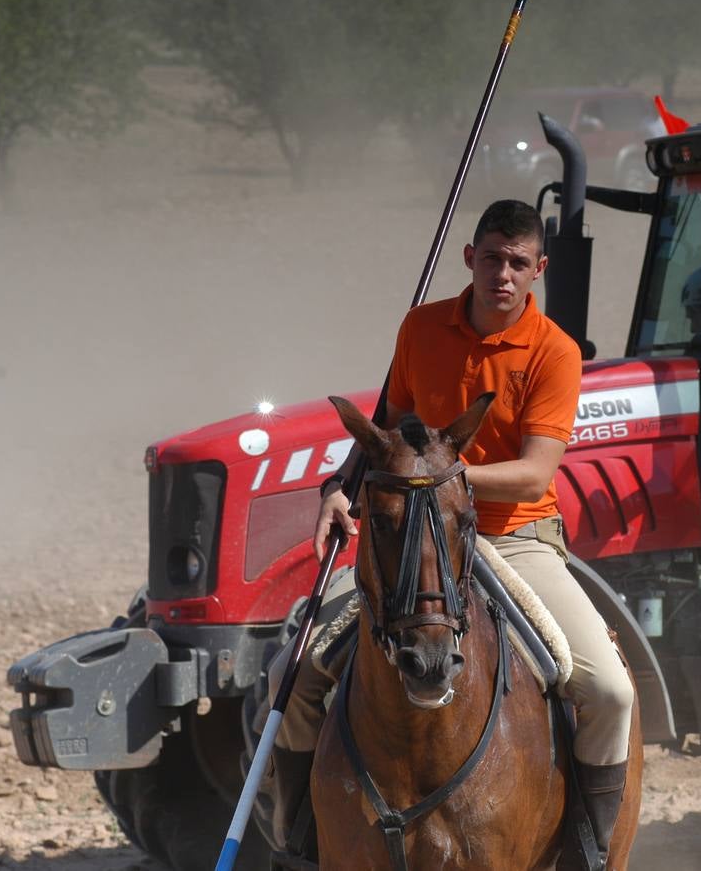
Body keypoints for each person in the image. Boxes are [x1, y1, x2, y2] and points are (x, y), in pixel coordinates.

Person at [264, 198, 636, 865]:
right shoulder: (420, 328)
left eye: (519, 263)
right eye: (492, 257)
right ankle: (297, 838)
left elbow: (532, 474)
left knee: (610, 692)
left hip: (518, 537)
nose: (503, 273)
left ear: (538, 269)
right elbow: (389, 432)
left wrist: (441, 480)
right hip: (413, 533)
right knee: (288, 678)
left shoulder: (554, 352)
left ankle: (590, 848)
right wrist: (336, 488)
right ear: (470, 257)